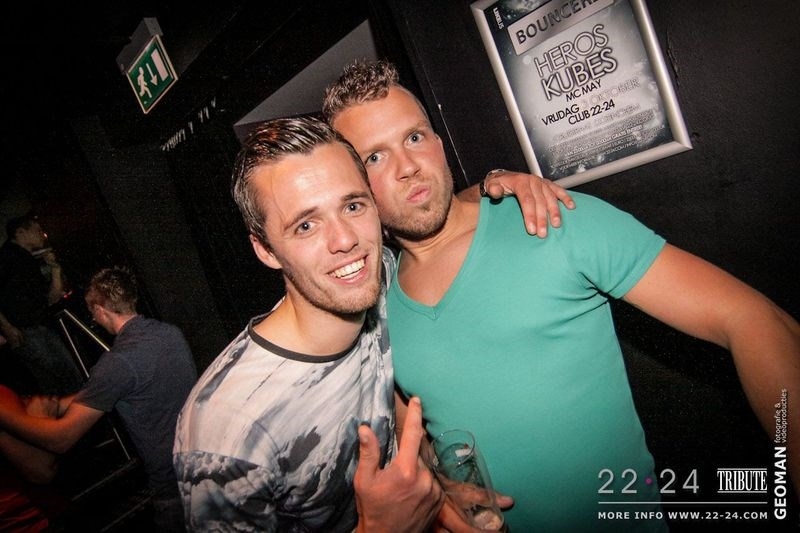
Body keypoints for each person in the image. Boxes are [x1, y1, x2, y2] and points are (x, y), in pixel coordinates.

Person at [322, 59, 800, 531]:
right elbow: (415, 433)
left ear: (439, 143)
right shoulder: (373, 305)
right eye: (375, 157)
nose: (408, 167)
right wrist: (440, 485)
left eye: (414, 137)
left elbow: (752, 319)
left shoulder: (551, 219)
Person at [0, 266, 198, 532]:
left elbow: (60, 439)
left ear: (100, 310)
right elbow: (124, 386)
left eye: (92, 313)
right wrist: (59, 404)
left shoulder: (117, 363)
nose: (93, 319)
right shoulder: (168, 333)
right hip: (198, 462)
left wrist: (9, 417)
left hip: (172, 485)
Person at [0, 214, 83, 395]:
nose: (42, 234)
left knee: (56, 383)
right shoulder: (6, 258)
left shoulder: (29, 261)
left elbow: (51, 298)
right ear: (20, 233)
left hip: (39, 326)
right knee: (68, 378)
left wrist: (55, 268)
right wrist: (6, 327)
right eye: (37, 230)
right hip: (25, 329)